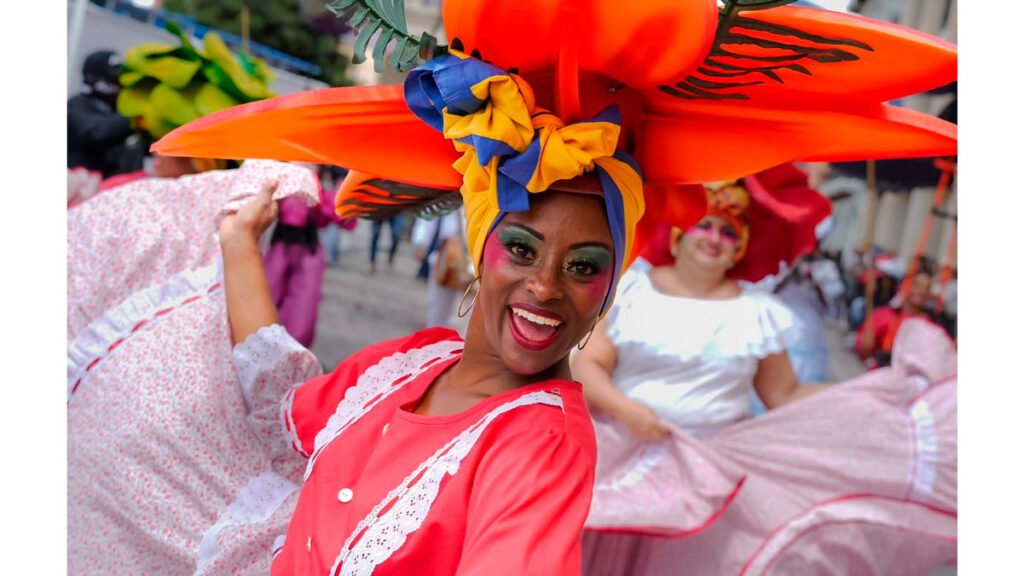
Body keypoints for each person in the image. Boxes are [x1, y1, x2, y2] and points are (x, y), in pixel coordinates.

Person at [124, 0, 957, 572]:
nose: (547, 287)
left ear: (610, 288)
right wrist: (239, 242)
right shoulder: (410, 362)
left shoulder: (542, 443)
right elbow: (281, 396)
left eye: (586, 265)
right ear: (480, 244)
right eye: (522, 248)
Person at [573, 179, 956, 574]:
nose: (714, 238)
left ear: (739, 248)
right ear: (677, 236)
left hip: (714, 469)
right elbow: (588, 365)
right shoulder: (632, 292)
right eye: (704, 225)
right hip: (625, 453)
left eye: (728, 232)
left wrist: (863, 398)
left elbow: (784, 393)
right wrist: (627, 410)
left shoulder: (757, 313)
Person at [68, 50, 145, 178]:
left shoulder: (119, 110)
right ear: (94, 78)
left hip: (120, 191)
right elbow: (96, 132)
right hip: (85, 193)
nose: (119, 83)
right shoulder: (75, 106)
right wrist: (135, 118)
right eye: (113, 78)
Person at [856, 267, 940, 368]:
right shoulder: (885, 314)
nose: (921, 291)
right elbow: (864, 351)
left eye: (926, 288)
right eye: (916, 285)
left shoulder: (932, 327)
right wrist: (869, 298)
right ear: (905, 285)